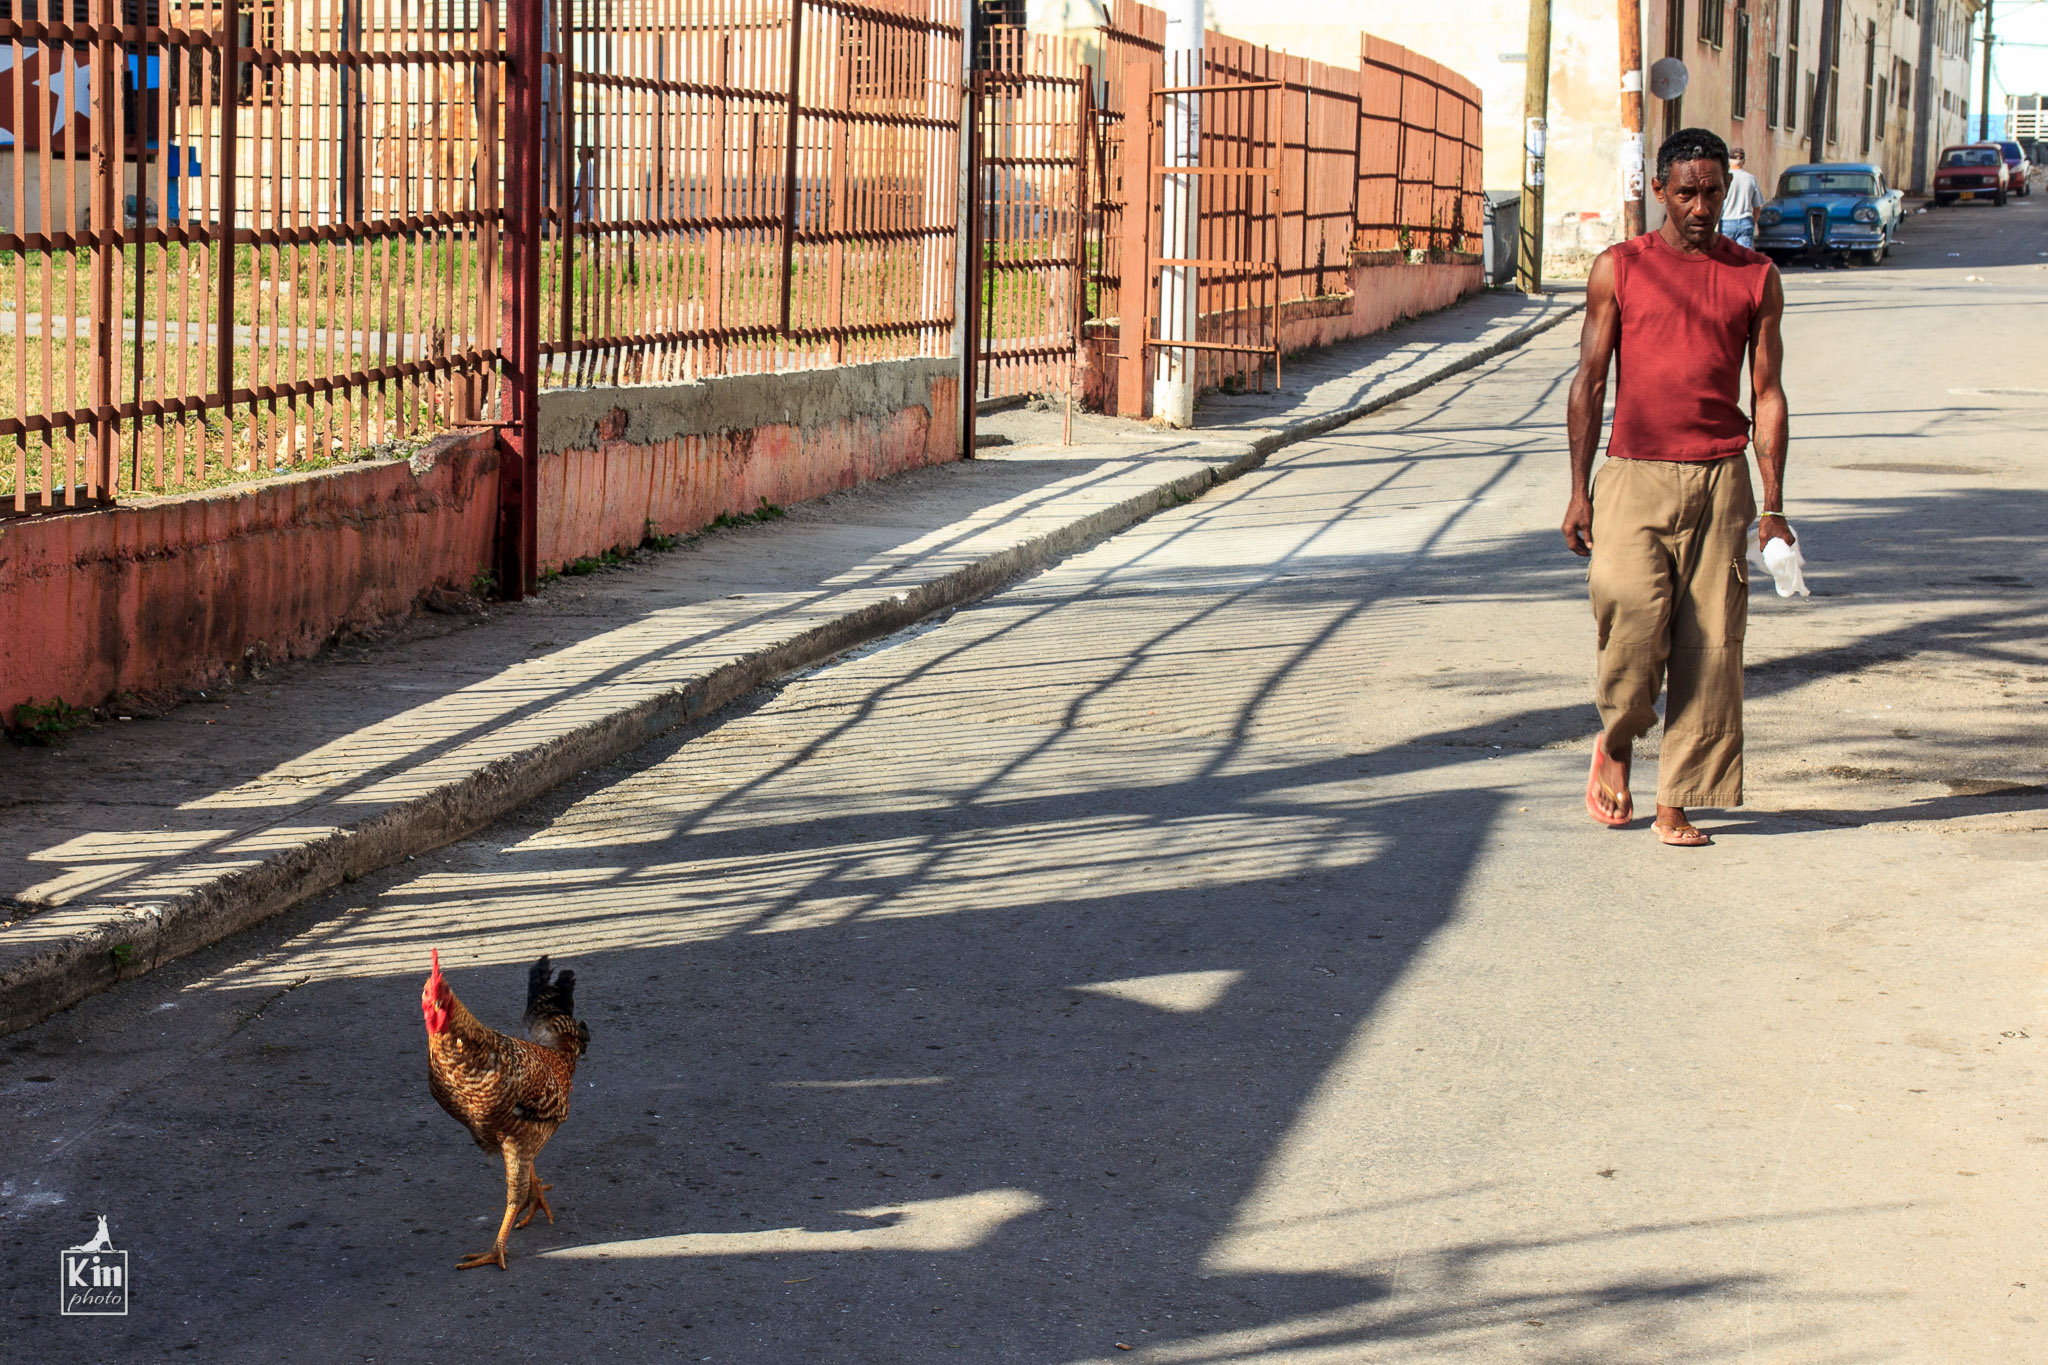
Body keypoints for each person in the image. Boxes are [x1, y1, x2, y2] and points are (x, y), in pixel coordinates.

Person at [1560, 127, 1791, 847]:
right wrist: (1578, 487)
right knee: (1628, 620)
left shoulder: (1756, 277)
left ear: (1729, 190)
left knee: (1712, 646)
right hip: (1634, 473)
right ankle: (1621, 735)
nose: (1699, 206)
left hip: (1722, 478)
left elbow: (1770, 393)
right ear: (1659, 189)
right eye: (1686, 191)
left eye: (1713, 191)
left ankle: (1678, 799)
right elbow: (1589, 381)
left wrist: (1773, 505)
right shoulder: (1619, 269)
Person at [1720, 147, 1762, 248]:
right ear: (1744, 161)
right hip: (1745, 221)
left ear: (1728, 161)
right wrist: (1752, 221)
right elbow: (1757, 207)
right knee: (1744, 259)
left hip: (1726, 221)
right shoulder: (1751, 179)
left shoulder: (1723, 178)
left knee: (1726, 257)